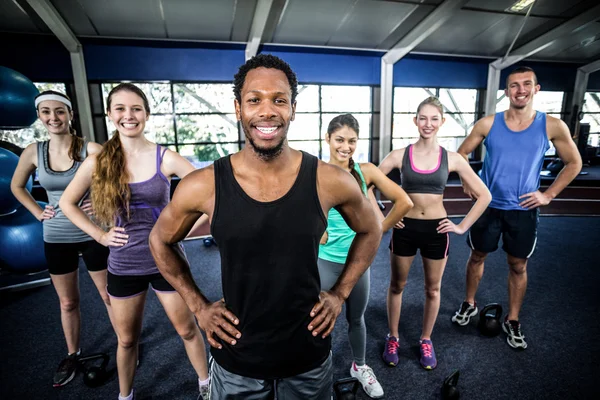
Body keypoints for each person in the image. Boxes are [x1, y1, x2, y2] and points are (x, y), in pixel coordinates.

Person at [148, 54, 382, 400]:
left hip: (308, 356)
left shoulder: (329, 180)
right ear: (238, 108)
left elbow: (371, 229)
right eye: (254, 99)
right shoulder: (205, 184)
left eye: (279, 100)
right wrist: (198, 306)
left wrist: (340, 294)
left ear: (293, 108)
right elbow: (159, 241)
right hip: (237, 359)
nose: (267, 111)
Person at [59, 83, 210, 400]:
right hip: (124, 264)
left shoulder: (164, 157)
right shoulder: (98, 162)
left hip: (168, 262)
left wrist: (180, 231)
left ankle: (206, 385)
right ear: (111, 114)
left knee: (186, 329)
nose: (129, 115)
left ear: (146, 114)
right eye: (121, 108)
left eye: (136, 108)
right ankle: (125, 396)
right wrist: (100, 235)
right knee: (126, 340)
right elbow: (67, 203)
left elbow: (209, 193)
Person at [452, 66, 582, 350]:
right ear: (506, 91)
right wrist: (467, 181)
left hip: (523, 210)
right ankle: (469, 303)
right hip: (488, 206)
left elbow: (575, 163)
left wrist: (548, 195)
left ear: (536, 89)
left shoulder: (552, 126)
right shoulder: (488, 124)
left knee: (518, 264)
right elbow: (460, 155)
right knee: (477, 255)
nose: (520, 90)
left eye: (526, 84)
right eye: (514, 85)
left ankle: (512, 319)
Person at [10, 90, 115, 387]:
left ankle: (126, 344)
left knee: (109, 295)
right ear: (39, 116)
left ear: (70, 114)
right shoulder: (34, 151)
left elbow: (119, 180)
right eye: (46, 112)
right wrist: (37, 212)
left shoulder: (91, 149)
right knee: (68, 302)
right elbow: (18, 187)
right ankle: (73, 353)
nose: (53, 117)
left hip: (93, 231)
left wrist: (102, 200)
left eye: (59, 111)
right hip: (56, 234)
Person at [378, 96, 492, 369]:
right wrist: (384, 217)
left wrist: (462, 226)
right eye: (423, 118)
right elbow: (366, 183)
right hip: (405, 228)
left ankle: (426, 339)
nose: (427, 124)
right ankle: (392, 336)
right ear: (415, 120)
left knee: (433, 289)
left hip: (436, 230)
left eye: (433, 119)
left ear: (442, 122)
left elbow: (484, 195)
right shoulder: (399, 155)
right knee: (397, 286)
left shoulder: (451, 158)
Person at [318, 114, 412, 398]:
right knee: (320, 321)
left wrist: (377, 231)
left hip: (358, 262)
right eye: (339, 140)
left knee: (356, 318)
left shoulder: (365, 171)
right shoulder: (316, 172)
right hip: (325, 262)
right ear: (328, 139)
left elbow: (404, 201)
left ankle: (359, 366)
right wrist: (316, 229)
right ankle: (318, 375)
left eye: (351, 141)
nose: (345, 147)